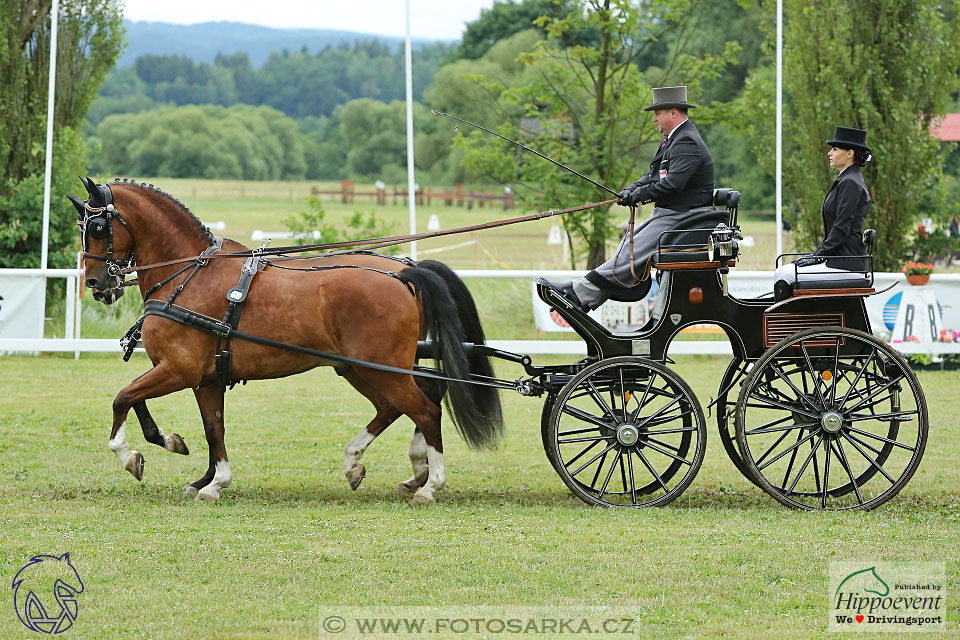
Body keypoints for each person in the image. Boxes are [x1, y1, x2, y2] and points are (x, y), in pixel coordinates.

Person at [547, 85, 715, 311]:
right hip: (671, 214)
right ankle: (583, 294)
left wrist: (639, 196)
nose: (654, 120)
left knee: (632, 252)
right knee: (628, 241)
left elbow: (673, 184)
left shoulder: (687, 142)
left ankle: (578, 293)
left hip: (683, 217)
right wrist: (630, 190)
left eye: (657, 114)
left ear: (673, 113)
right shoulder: (674, 139)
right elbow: (653, 176)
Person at [772, 126, 872, 299]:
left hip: (845, 264)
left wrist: (817, 256)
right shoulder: (846, 179)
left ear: (849, 153)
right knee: (786, 271)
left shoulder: (850, 183)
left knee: (783, 274)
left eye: (834, 149)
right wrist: (816, 255)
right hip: (838, 261)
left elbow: (841, 230)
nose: (829, 153)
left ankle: (785, 323)